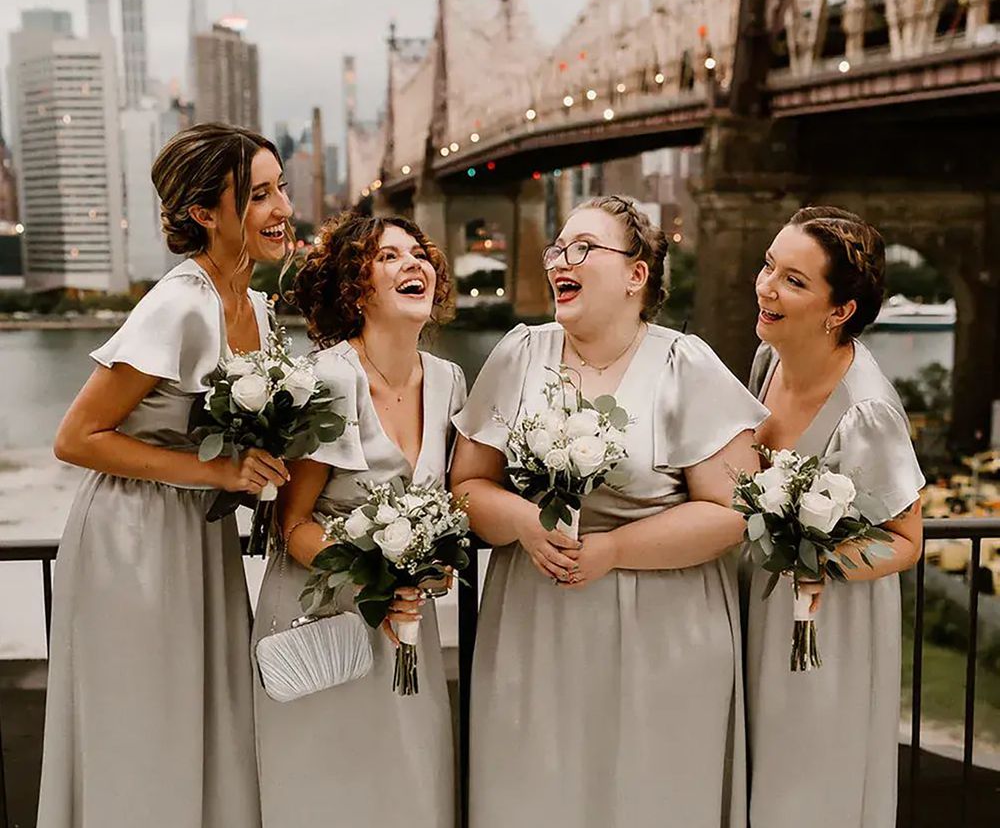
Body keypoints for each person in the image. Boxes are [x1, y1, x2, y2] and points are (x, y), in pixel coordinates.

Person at [450, 194, 768, 828]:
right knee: (535, 794)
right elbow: (466, 486)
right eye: (558, 250)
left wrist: (614, 549)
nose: (562, 262)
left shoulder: (686, 364)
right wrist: (521, 522)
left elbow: (735, 512)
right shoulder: (519, 354)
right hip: (535, 628)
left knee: (650, 798)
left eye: (584, 248)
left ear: (636, 275)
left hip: (664, 634)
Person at [37, 123, 294, 828]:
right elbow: (76, 438)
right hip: (133, 537)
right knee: (146, 719)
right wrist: (213, 470)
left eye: (281, 189)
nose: (282, 209)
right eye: (260, 195)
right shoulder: (179, 304)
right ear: (205, 213)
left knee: (205, 712)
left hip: (195, 532)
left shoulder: (258, 307)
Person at [252, 213, 465, 828]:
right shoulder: (328, 378)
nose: (413, 264)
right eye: (389, 257)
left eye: (418, 253)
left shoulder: (449, 382)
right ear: (356, 285)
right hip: (319, 616)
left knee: (410, 781)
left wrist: (432, 567)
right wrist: (372, 571)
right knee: (327, 786)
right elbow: (290, 527)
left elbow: (449, 507)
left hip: (403, 624)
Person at [744, 206, 924, 828]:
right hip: (757, 601)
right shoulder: (769, 358)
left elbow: (906, 540)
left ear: (839, 311)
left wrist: (822, 561)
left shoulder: (867, 411)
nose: (767, 286)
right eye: (770, 265)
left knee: (807, 779)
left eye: (794, 281)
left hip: (825, 624)